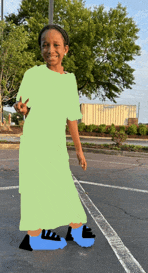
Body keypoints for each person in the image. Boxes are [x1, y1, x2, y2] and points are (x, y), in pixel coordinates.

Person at [14, 24, 96, 251]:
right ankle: (34, 236)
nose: (50, 49)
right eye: (45, 45)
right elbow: (23, 106)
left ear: (66, 49)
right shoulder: (33, 74)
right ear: (41, 49)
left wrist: (79, 150)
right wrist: (20, 108)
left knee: (63, 186)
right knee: (34, 188)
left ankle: (76, 228)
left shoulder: (70, 80)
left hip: (56, 145)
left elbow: (72, 118)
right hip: (33, 143)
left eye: (56, 45)